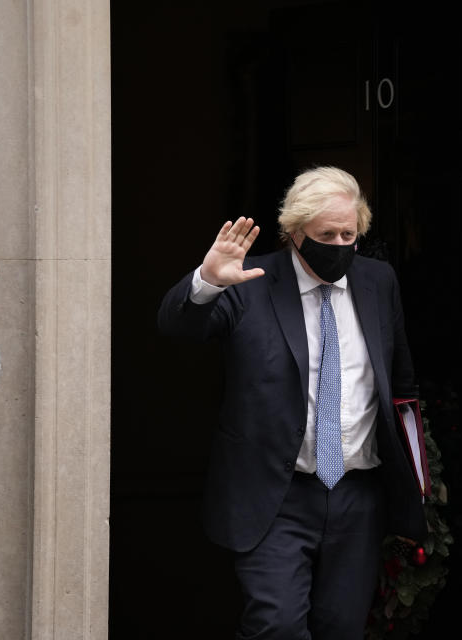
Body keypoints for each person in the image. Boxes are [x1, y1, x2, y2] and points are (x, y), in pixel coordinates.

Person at [158, 166, 425, 640]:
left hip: (356, 493)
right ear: (295, 230)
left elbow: (400, 382)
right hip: (275, 495)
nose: (339, 243)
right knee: (275, 625)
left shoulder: (378, 282)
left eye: (349, 233)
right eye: (326, 234)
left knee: (340, 628)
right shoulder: (251, 280)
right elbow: (179, 330)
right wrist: (207, 281)